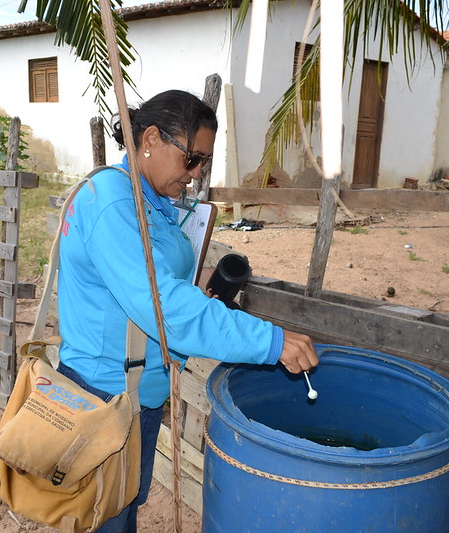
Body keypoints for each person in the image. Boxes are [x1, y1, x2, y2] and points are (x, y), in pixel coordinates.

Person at [56, 89, 318, 533]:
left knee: (122, 510)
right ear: (152, 139)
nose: (195, 176)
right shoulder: (113, 203)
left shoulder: (150, 201)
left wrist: (197, 283)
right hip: (104, 398)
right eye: (191, 159)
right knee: (106, 518)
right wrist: (270, 341)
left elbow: (155, 284)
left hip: (137, 393)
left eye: (203, 163)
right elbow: (166, 310)